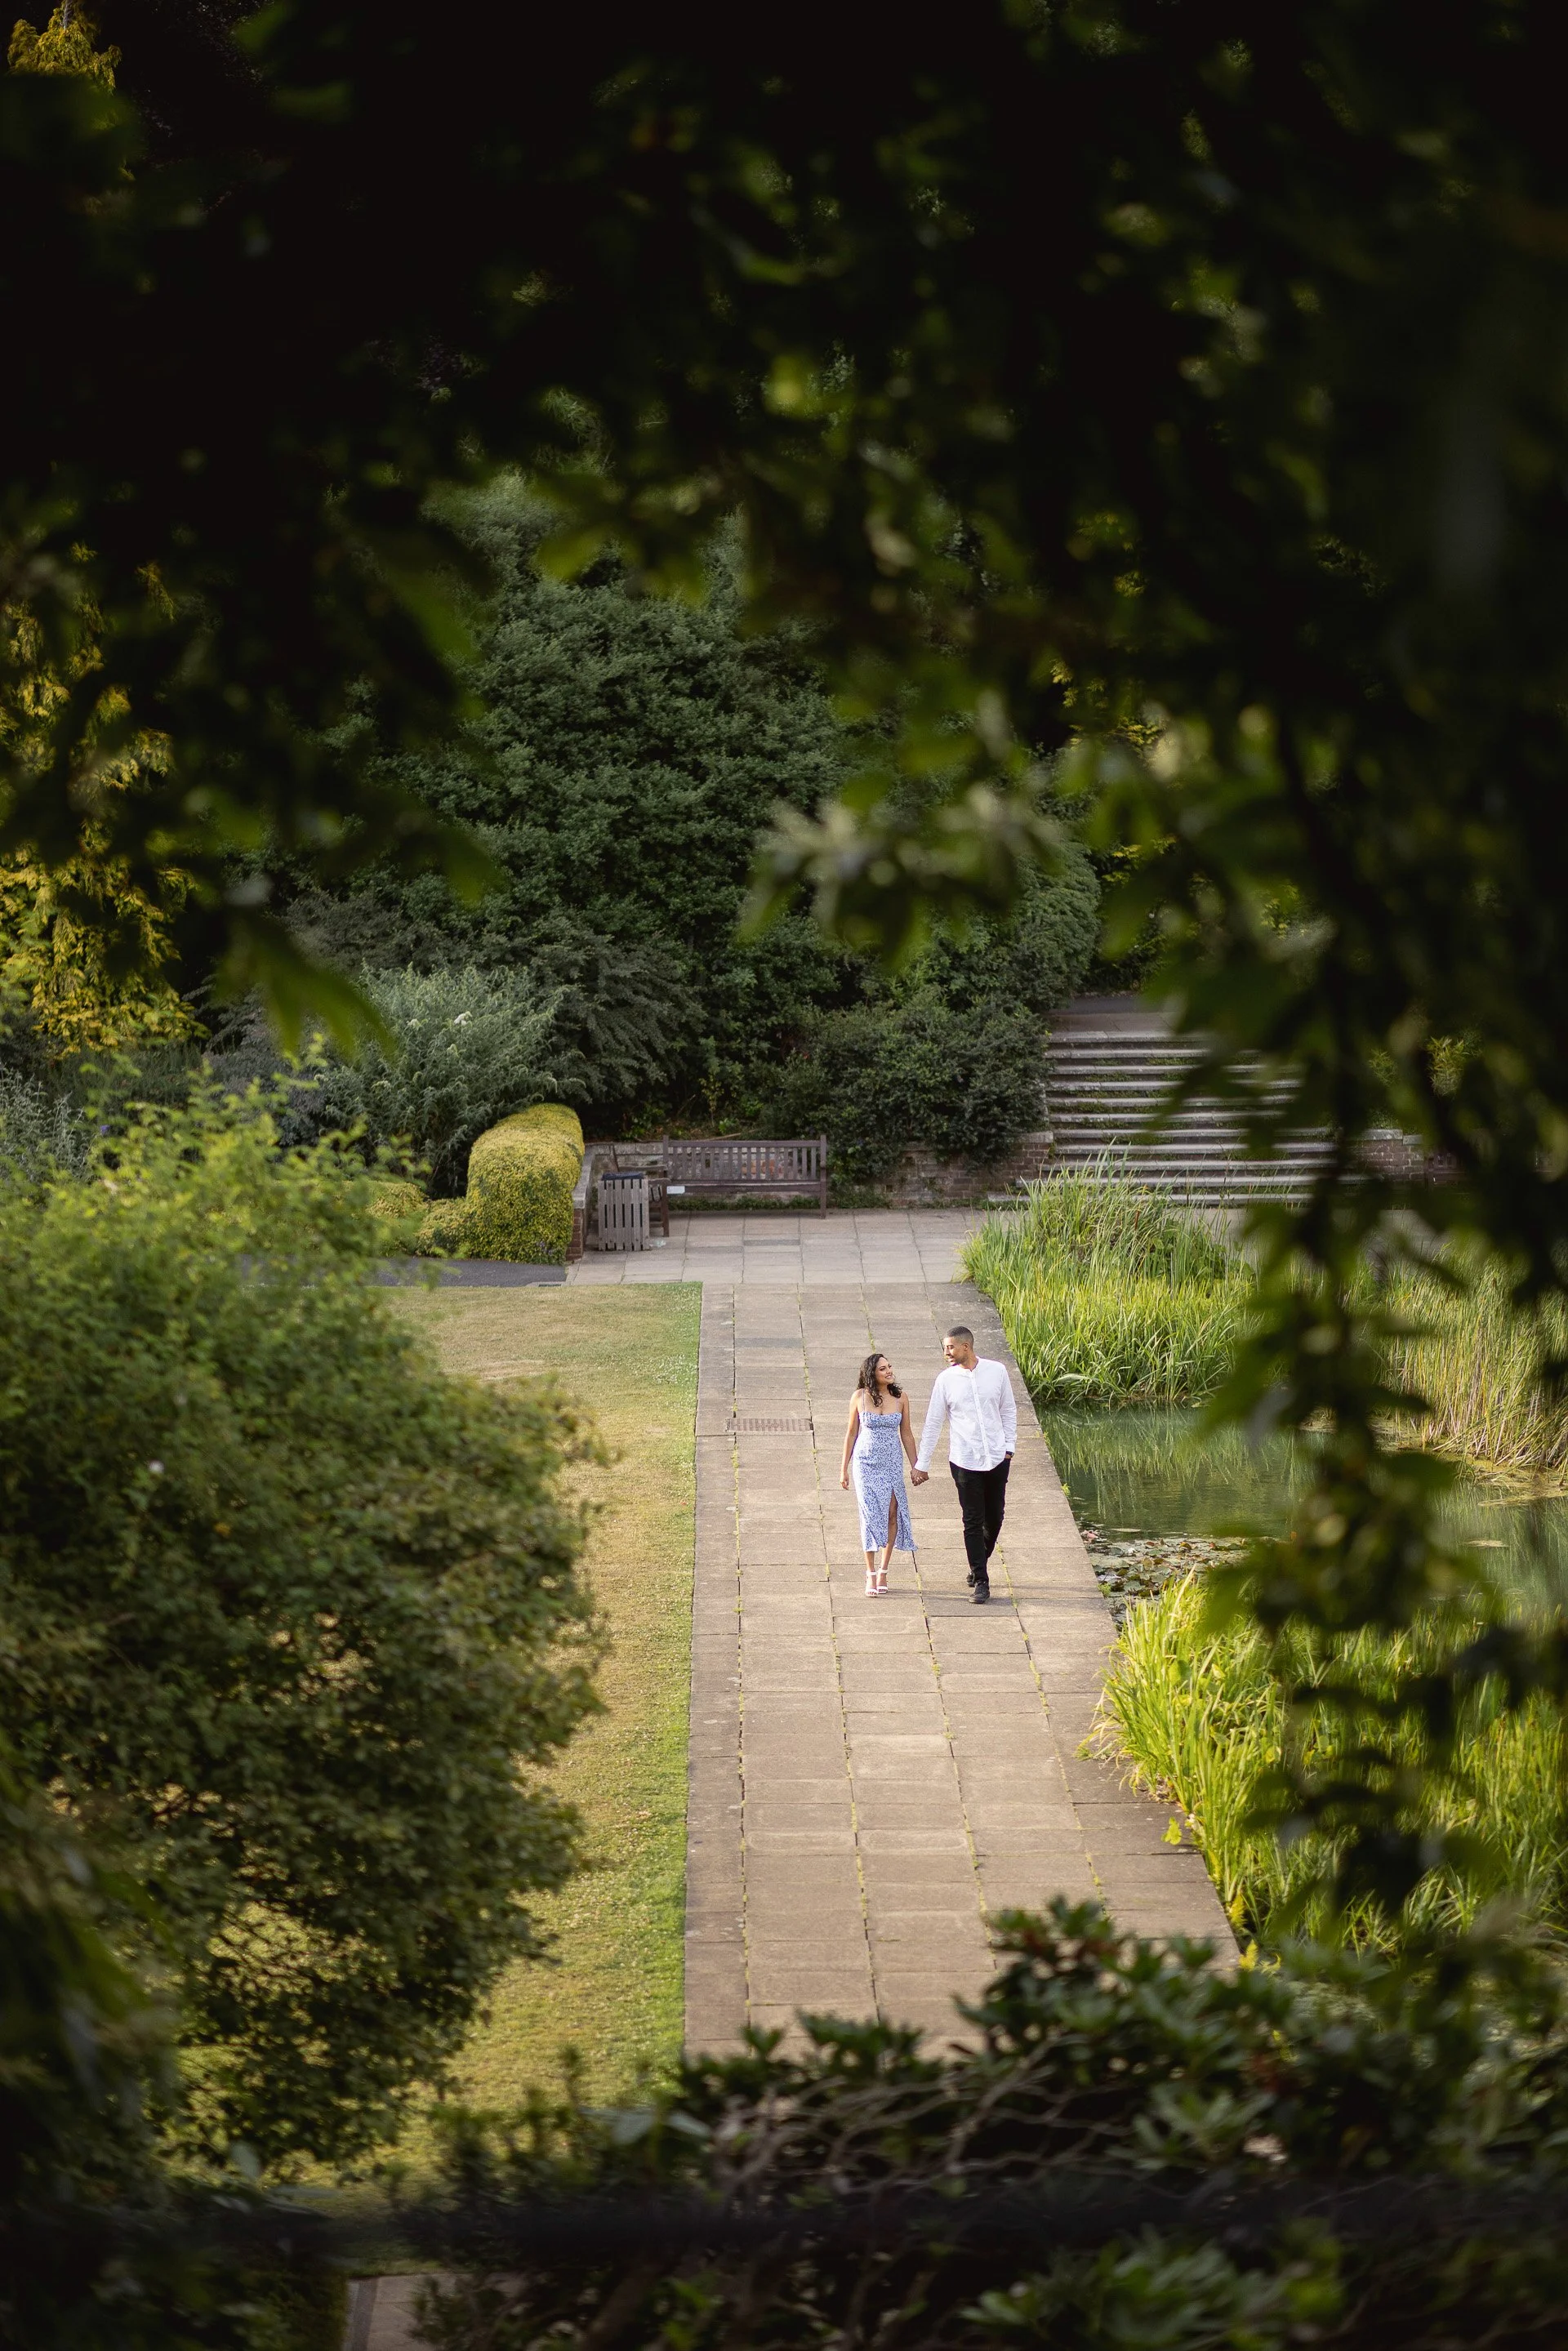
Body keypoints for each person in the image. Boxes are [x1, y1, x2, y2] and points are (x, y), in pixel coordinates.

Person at [911, 1325, 1017, 1604]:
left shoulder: (997, 1371)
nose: (946, 1352)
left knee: (995, 1518)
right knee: (972, 1520)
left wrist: (1009, 1448)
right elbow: (934, 1422)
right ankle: (981, 1581)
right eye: (945, 1348)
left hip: (997, 1457)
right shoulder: (945, 1380)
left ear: (966, 1347)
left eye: (950, 1347)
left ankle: (977, 1561)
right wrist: (922, 1463)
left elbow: (1008, 1409)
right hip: (964, 1461)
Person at [839, 1350, 919, 1597]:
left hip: (892, 1462)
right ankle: (870, 1572)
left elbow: (906, 1433)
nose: (889, 1371)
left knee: (892, 1513)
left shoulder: (901, 1398)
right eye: (883, 1368)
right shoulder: (859, 1397)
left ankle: (884, 1570)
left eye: (890, 1367)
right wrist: (843, 1469)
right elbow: (851, 1433)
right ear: (872, 1373)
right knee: (870, 1514)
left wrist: (917, 1465)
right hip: (865, 1464)